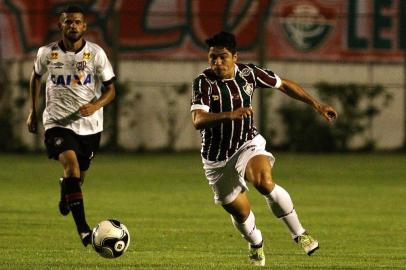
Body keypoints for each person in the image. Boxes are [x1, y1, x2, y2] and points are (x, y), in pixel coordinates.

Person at [190, 31, 337, 266]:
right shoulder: (203, 82)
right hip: (216, 159)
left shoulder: (249, 74)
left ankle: (300, 234)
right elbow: (198, 120)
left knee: (264, 182)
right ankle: (256, 243)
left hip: (247, 143)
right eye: (212, 57)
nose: (217, 62)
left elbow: (283, 84)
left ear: (235, 57)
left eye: (222, 57)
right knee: (241, 213)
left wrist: (316, 104)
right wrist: (230, 115)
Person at [26, 5, 116, 247]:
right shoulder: (47, 53)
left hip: (90, 126)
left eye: (77, 22)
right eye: (68, 22)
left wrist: (96, 106)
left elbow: (111, 89)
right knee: (72, 168)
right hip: (56, 122)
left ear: (84, 26)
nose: (73, 26)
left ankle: (66, 192)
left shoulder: (96, 54)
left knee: (78, 177)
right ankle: (84, 230)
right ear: (60, 25)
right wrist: (33, 112)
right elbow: (35, 77)